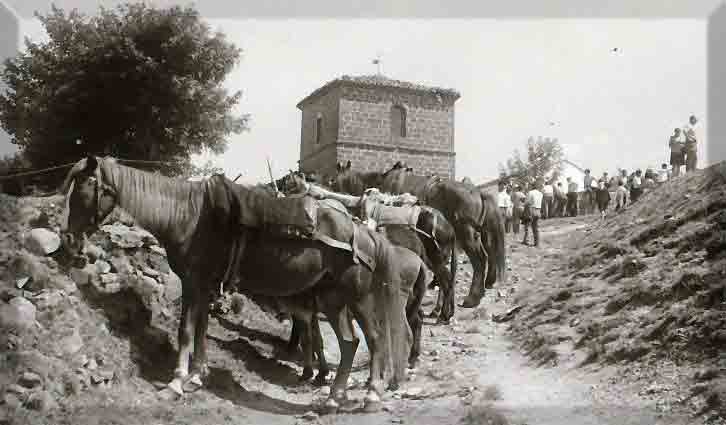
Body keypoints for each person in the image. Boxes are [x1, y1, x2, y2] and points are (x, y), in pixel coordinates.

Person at [523, 182, 543, 246]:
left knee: (527, 226)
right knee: (536, 227)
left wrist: (523, 202)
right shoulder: (540, 193)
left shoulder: (530, 192)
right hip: (538, 210)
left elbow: (527, 202)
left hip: (531, 209)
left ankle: (526, 240)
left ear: (532, 186)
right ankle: (537, 243)